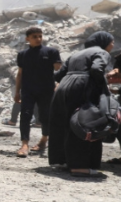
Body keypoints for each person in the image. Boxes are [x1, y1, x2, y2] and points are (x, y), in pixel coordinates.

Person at [48, 31, 114, 176]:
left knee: (64, 124)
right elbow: (96, 69)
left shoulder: (76, 54)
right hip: (82, 87)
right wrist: (103, 86)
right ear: (104, 42)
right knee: (83, 123)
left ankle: (64, 160)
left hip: (63, 88)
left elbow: (58, 75)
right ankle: (79, 166)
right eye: (111, 42)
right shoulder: (101, 52)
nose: (113, 45)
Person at [14, 27, 62, 157]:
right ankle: (24, 144)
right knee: (25, 115)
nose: (38, 39)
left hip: (46, 90)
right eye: (34, 37)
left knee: (45, 117)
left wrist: (58, 84)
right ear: (27, 39)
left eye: (40, 36)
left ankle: (44, 140)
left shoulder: (51, 52)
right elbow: (20, 74)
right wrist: (17, 91)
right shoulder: (22, 54)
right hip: (28, 90)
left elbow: (59, 70)